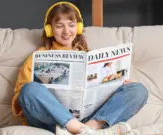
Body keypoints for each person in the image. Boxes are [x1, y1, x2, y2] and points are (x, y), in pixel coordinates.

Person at [12, 2, 148, 135]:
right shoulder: (37, 57)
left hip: (88, 117)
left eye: (71, 25)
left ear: (78, 27)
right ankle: (86, 131)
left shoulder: (89, 56)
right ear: (50, 29)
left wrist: (121, 83)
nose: (66, 31)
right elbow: (22, 100)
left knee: (139, 90)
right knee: (29, 90)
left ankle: (86, 129)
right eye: (59, 26)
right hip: (51, 121)